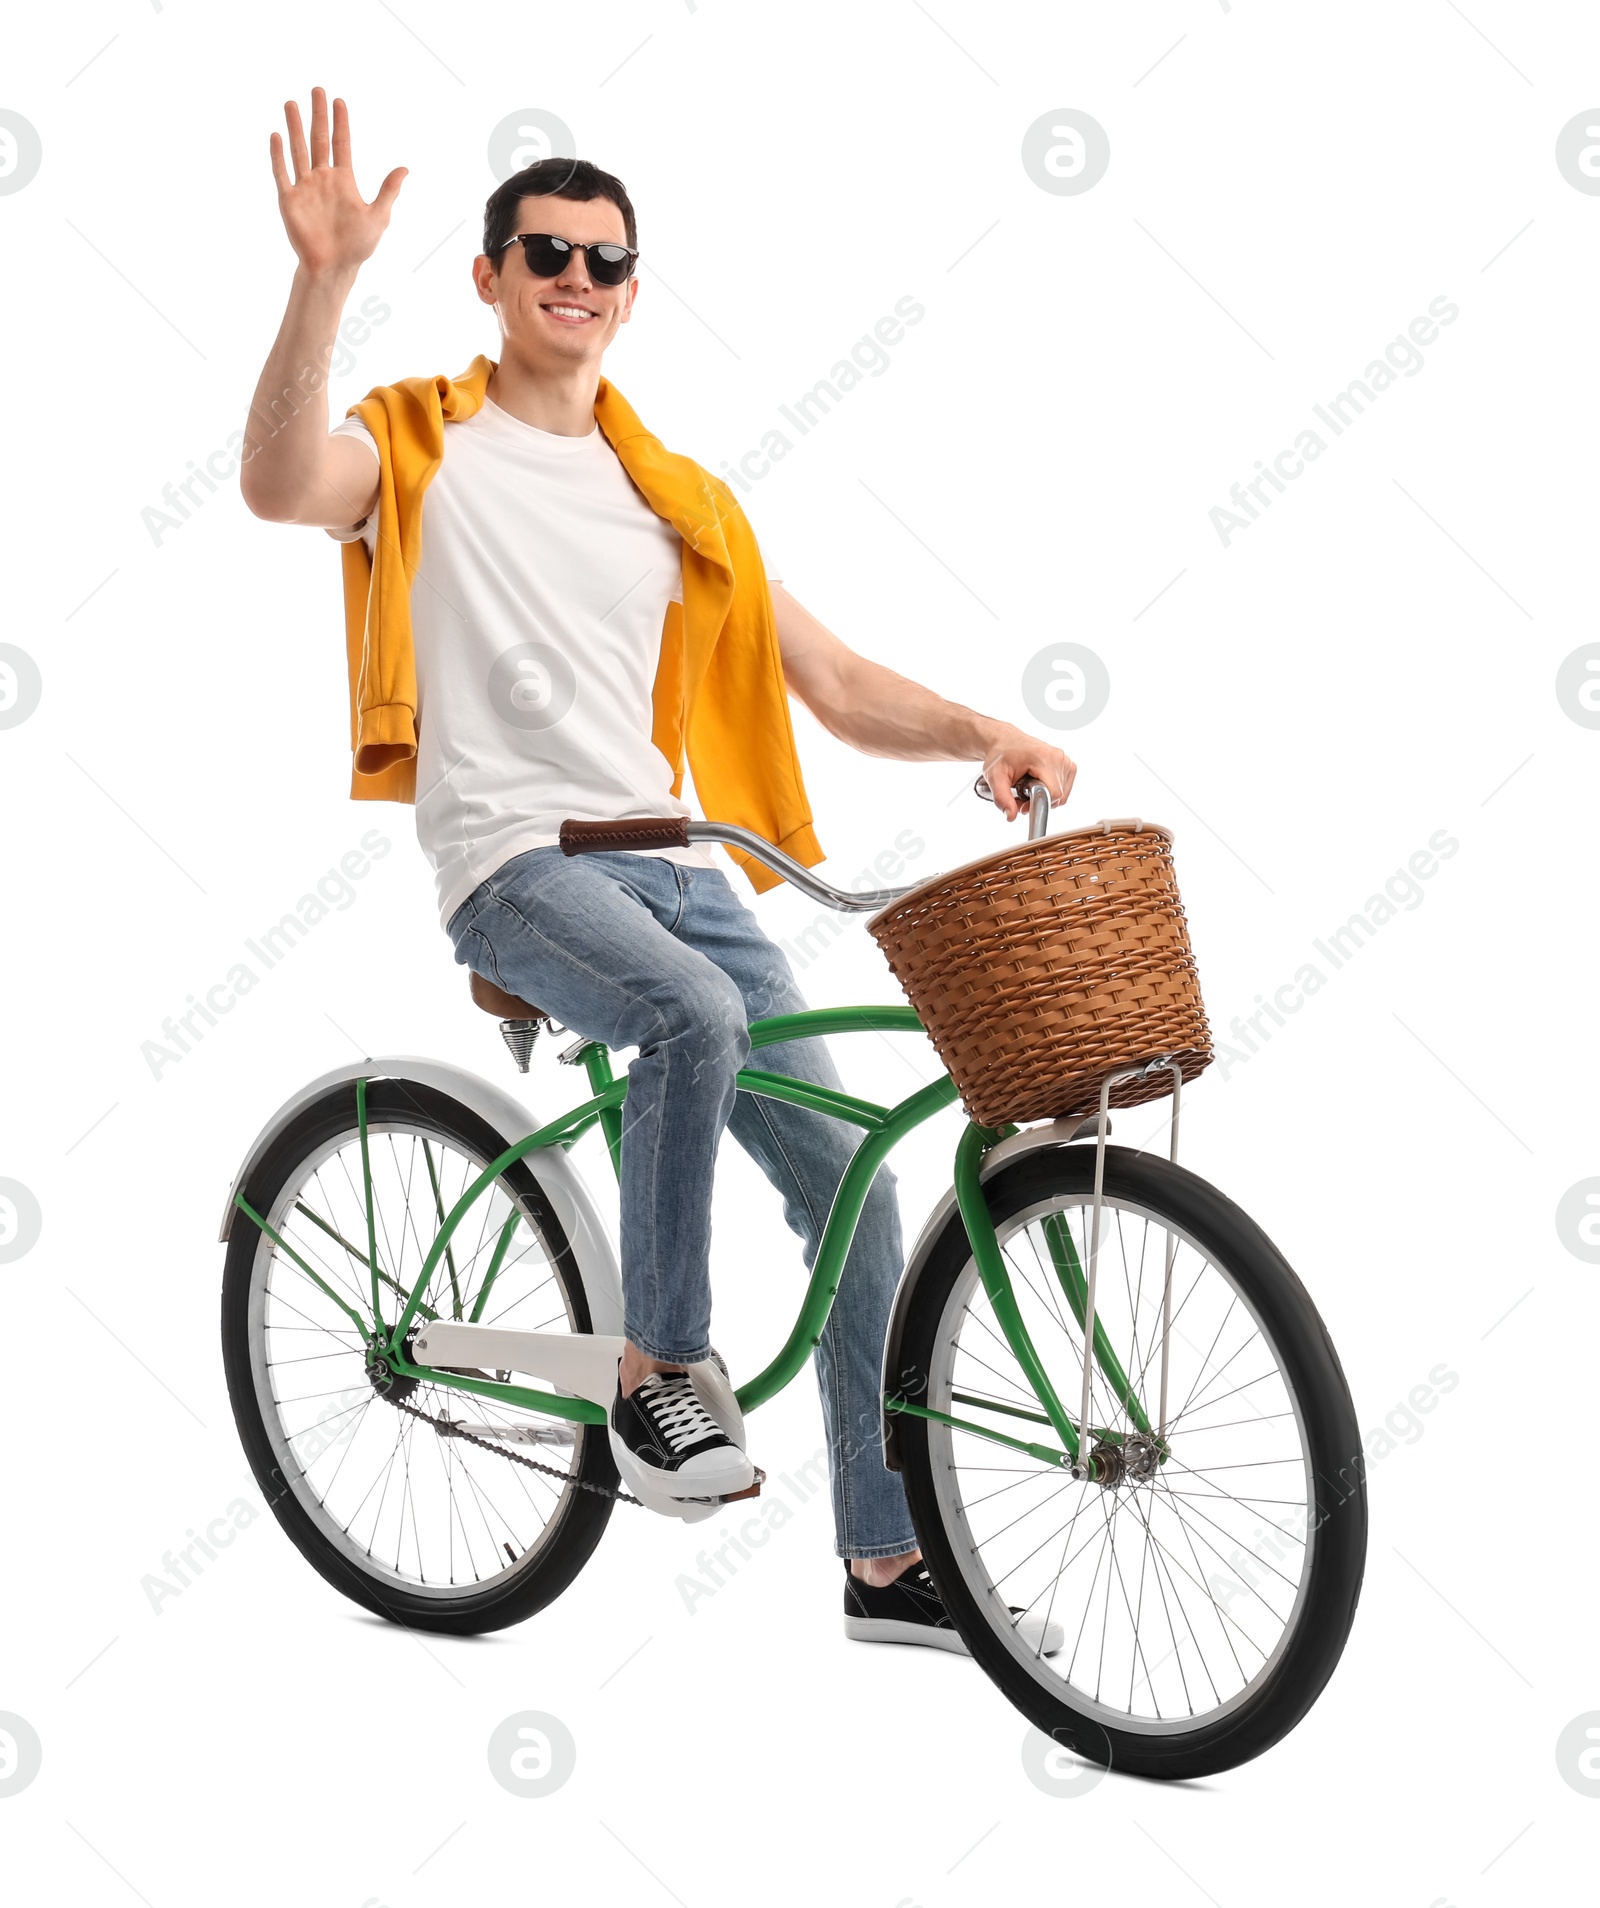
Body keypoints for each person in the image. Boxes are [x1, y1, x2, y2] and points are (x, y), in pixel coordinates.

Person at [240, 89, 1075, 1654]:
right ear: (489, 277)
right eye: (546, 250)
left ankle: (885, 1564)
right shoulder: (418, 444)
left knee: (860, 1193)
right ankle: (658, 1376)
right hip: (514, 863)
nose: (578, 274)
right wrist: (323, 278)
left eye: (606, 260)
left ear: (633, 291)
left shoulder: (673, 496)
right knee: (690, 1020)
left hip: (683, 870)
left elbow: (825, 678)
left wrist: (980, 729)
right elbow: (280, 487)